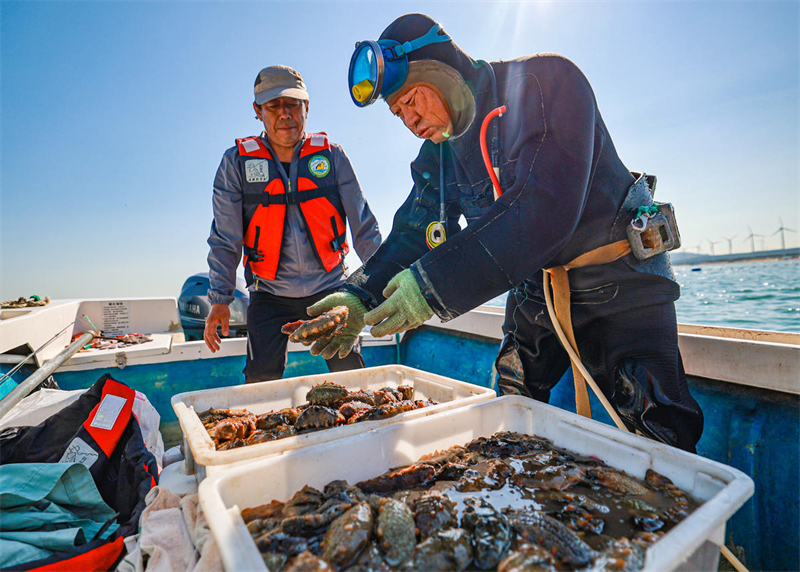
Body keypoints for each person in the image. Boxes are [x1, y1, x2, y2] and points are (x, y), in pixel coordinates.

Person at [310, 14, 704, 452]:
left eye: (412, 99)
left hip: (618, 275)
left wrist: (430, 287)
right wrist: (358, 296)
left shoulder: (549, 82)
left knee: (657, 420)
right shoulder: (438, 154)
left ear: (438, 69)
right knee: (514, 392)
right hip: (536, 286)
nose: (410, 119)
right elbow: (411, 232)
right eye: (398, 112)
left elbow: (545, 210)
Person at [204, 65, 382, 382]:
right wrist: (220, 300)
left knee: (352, 375)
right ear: (258, 111)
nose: (285, 114)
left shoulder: (333, 157)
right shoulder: (235, 164)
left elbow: (365, 229)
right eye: (273, 106)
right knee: (260, 380)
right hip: (268, 294)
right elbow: (225, 238)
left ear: (307, 108)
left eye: (293, 104)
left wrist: (385, 281)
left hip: (331, 289)